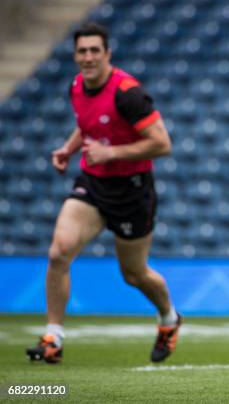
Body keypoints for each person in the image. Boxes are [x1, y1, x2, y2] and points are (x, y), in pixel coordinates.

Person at [26, 22, 182, 364]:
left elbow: (162, 144)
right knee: (58, 253)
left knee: (134, 274)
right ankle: (54, 337)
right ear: (75, 55)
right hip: (94, 184)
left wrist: (111, 153)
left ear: (108, 54)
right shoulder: (76, 86)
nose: (88, 56)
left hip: (133, 191)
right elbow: (88, 125)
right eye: (82, 51)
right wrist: (69, 148)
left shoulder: (128, 93)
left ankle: (169, 318)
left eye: (95, 50)